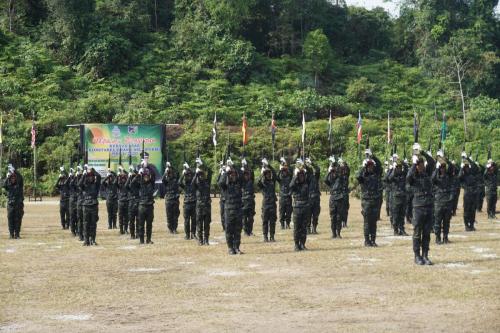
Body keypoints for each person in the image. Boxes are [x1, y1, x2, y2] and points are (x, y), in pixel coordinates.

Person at [406, 144, 435, 265]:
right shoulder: (413, 176)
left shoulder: (427, 174)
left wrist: (421, 152)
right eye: (419, 165)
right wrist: (413, 164)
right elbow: (408, 178)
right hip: (418, 207)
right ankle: (417, 256)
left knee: (427, 233)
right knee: (417, 233)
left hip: (429, 206)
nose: (421, 166)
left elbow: (432, 162)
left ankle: (425, 255)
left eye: (422, 164)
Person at [356, 149, 383, 247]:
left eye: (372, 166)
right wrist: (363, 167)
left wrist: (373, 156)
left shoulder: (376, 175)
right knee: (367, 222)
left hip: (375, 201)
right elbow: (358, 176)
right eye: (369, 166)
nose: (371, 168)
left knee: (374, 222)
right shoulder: (363, 177)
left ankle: (373, 240)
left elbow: (380, 166)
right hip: (366, 202)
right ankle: (367, 240)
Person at [218, 157, 244, 255]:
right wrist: (226, 172)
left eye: (234, 175)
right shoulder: (225, 187)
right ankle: (230, 248)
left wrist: (233, 166)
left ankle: (237, 247)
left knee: (238, 230)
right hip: (229, 211)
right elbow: (220, 182)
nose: (233, 176)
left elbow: (241, 176)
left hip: (238, 210)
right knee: (229, 230)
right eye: (231, 175)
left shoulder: (238, 184)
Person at [132, 158, 156, 244]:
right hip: (142, 206)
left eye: (147, 176)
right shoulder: (140, 184)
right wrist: (138, 174)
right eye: (145, 176)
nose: (146, 177)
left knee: (149, 225)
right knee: (141, 225)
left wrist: (147, 165)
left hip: (149, 206)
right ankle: (141, 240)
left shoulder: (151, 183)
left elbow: (153, 174)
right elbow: (132, 184)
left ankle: (148, 239)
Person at [432, 150, 454, 244]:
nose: (443, 169)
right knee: (437, 221)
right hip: (438, 202)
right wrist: (437, 168)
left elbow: (452, 167)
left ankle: (445, 237)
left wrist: (445, 159)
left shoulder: (448, 176)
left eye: (444, 167)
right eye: (441, 167)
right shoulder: (436, 177)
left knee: (446, 221)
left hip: (447, 201)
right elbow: (432, 179)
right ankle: (437, 238)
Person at [324, 156, 349, 239]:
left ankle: (338, 233)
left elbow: (343, 173)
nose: (334, 170)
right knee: (332, 217)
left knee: (339, 217)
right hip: (333, 198)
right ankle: (333, 233)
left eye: (335, 168)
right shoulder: (331, 178)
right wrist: (329, 171)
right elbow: (325, 180)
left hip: (339, 197)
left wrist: (337, 164)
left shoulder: (340, 176)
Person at [290, 159, 310, 251]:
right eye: (300, 176)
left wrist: (305, 167)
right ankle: (296, 244)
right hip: (297, 207)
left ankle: (302, 244)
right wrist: (295, 175)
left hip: (305, 206)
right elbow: (291, 185)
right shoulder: (295, 184)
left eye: (303, 175)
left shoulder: (306, 183)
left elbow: (310, 176)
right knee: (297, 227)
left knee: (304, 227)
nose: (301, 177)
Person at [192, 157, 213, 245]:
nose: (201, 176)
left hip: (207, 206)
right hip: (199, 207)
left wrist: (202, 164)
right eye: (200, 175)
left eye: (202, 174)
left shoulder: (207, 182)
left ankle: (206, 240)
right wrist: (196, 174)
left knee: (207, 224)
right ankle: (200, 240)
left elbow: (210, 171)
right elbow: (192, 183)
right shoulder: (196, 185)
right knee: (199, 224)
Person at [78, 166, 101, 246]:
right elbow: (79, 184)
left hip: (94, 205)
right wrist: (84, 174)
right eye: (89, 177)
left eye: (92, 177)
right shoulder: (84, 186)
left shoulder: (96, 185)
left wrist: (92, 170)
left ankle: (93, 240)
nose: (91, 178)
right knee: (86, 223)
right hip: (86, 205)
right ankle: (86, 240)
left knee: (93, 223)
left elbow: (99, 176)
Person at [387, 154, 409, 236]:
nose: (399, 169)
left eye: (400, 168)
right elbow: (388, 178)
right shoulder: (393, 176)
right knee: (396, 214)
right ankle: (395, 230)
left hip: (403, 197)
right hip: (396, 198)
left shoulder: (403, 175)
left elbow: (407, 169)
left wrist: (401, 161)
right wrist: (393, 168)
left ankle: (402, 229)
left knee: (402, 214)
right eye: (398, 168)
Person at [258, 158, 277, 242]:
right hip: (266, 204)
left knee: (272, 221)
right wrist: (262, 173)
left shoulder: (272, 181)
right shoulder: (263, 183)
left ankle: (272, 236)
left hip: (272, 204)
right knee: (265, 221)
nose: (269, 175)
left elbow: (275, 174)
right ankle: (265, 236)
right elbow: (258, 182)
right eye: (267, 174)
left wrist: (268, 165)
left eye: (269, 173)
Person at [458, 153, 479, 231]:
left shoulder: (472, 174)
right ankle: (466, 225)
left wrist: (468, 159)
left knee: (473, 210)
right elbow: (459, 177)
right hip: (467, 194)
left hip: (474, 194)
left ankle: (472, 225)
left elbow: (475, 167)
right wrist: (461, 167)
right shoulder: (463, 176)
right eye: (465, 168)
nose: (467, 169)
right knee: (467, 210)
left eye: (467, 167)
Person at [3, 164, 24, 239]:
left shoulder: (19, 185)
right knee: (10, 219)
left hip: (18, 204)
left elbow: (20, 178)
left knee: (18, 219)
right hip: (11, 205)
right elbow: (3, 185)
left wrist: (14, 171)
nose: (13, 179)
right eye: (11, 178)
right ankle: (11, 234)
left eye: (14, 178)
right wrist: (8, 176)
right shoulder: (8, 186)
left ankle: (17, 234)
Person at [179, 162, 197, 240]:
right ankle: (187, 235)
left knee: (194, 220)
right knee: (186, 220)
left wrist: (188, 169)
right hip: (186, 204)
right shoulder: (185, 185)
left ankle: (193, 234)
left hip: (193, 203)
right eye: (187, 176)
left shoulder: (194, 184)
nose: (188, 177)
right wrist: (183, 174)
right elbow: (179, 182)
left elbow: (194, 177)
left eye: (189, 176)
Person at [162, 162, 180, 234]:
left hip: (175, 199)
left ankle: (175, 228)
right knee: (169, 215)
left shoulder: (175, 180)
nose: (171, 174)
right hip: (169, 200)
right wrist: (165, 171)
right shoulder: (167, 181)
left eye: (171, 173)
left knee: (175, 215)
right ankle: (170, 228)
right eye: (169, 173)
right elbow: (163, 179)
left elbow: (178, 173)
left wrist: (170, 166)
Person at [305, 157, 321, 234]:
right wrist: (305, 164)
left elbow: (318, 169)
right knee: (308, 214)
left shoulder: (316, 177)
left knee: (316, 214)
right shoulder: (306, 177)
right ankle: (308, 228)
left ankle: (314, 228)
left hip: (316, 197)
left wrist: (312, 163)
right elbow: (305, 169)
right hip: (309, 197)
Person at [241, 158, 255, 236]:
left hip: (250, 202)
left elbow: (252, 173)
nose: (247, 176)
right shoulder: (241, 182)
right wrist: (242, 167)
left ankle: (250, 231)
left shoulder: (251, 181)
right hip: (243, 202)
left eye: (248, 175)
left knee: (251, 218)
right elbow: (239, 176)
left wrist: (246, 165)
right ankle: (245, 231)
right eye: (245, 175)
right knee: (244, 218)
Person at [277, 157, 292, 229]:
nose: (285, 172)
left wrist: (286, 168)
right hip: (282, 197)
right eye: (284, 171)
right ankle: (282, 224)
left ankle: (288, 224)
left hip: (288, 197)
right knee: (282, 212)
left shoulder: (289, 177)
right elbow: (276, 177)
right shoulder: (281, 179)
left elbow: (292, 175)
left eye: (285, 171)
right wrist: (280, 170)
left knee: (289, 212)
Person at [125, 165, 139, 239]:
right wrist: (129, 177)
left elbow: (139, 177)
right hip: (131, 203)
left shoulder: (138, 182)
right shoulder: (130, 184)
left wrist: (136, 173)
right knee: (131, 220)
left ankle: (138, 234)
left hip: (138, 201)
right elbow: (126, 186)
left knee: (139, 220)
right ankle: (132, 234)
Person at [73, 165, 85, 241]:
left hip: (86, 202)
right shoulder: (76, 180)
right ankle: (80, 235)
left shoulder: (85, 178)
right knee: (80, 220)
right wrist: (75, 176)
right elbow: (75, 185)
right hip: (80, 202)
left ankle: (86, 234)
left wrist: (85, 173)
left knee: (86, 221)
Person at [116, 166, 129, 235]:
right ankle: (121, 230)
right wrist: (118, 176)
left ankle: (126, 229)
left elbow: (128, 176)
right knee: (120, 217)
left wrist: (123, 170)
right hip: (120, 202)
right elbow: (115, 183)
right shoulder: (119, 185)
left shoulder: (127, 185)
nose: (123, 180)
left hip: (126, 201)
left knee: (126, 217)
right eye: (122, 179)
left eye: (124, 179)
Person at [67, 168, 79, 237]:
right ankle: (73, 231)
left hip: (77, 201)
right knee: (72, 217)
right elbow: (70, 184)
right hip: (72, 201)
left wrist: (77, 177)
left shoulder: (78, 182)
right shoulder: (71, 183)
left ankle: (77, 230)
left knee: (78, 217)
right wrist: (73, 177)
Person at [217, 161, 226, 231]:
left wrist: (225, 173)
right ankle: (224, 227)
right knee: (222, 213)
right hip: (222, 198)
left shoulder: (229, 174)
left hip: (228, 198)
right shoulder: (222, 174)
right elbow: (219, 183)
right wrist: (220, 174)